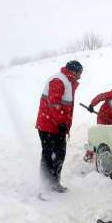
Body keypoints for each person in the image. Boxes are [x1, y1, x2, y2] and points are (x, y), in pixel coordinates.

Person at [35, 60, 83, 192]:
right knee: (49, 155)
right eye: (79, 73)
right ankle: (45, 185)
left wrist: (63, 124)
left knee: (58, 155)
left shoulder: (67, 82)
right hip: (49, 126)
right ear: (73, 71)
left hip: (56, 126)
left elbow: (63, 105)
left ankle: (53, 183)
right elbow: (53, 105)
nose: (80, 76)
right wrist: (61, 123)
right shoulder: (58, 80)